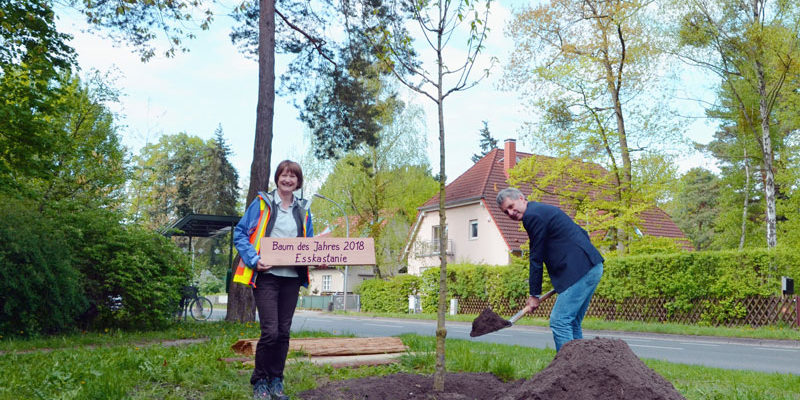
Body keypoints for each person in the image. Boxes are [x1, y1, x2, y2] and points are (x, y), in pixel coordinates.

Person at [233, 160, 314, 400]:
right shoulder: (261, 204)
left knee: (284, 332)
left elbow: (307, 244)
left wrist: (317, 255)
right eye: (284, 175)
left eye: (293, 177)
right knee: (270, 332)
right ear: (277, 178)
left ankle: (276, 380)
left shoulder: (304, 210)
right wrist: (253, 259)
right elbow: (240, 232)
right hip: (267, 276)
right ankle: (260, 380)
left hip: (291, 278)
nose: (288, 180)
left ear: (298, 182)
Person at [496, 187, 604, 352]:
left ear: (521, 198)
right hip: (592, 266)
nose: (510, 213)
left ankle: (568, 370)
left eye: (511, 206)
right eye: (506, 212)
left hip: (581, 270)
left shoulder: (532, 216)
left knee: (560, 321)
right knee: (571, 322)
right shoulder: (542, 210)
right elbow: (581, 232)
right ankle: (582, 369)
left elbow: (536, 257)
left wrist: (534, 295)